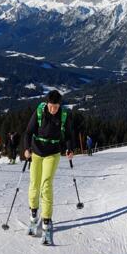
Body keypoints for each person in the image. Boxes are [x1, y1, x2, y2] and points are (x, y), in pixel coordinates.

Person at [23, 90, 73, 245]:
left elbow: (69, 135)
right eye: (51, 106)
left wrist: (70, 149)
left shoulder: (63, 115)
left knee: (46, 186)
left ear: (60, 105)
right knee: (34, 185)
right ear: (47, 104)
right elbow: (28, 132)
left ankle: (46, 221)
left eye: (56, 106)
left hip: (52, 153)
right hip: (37, 152)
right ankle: (33, 216)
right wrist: (26, 148)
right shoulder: (39, 111)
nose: (53, 109)